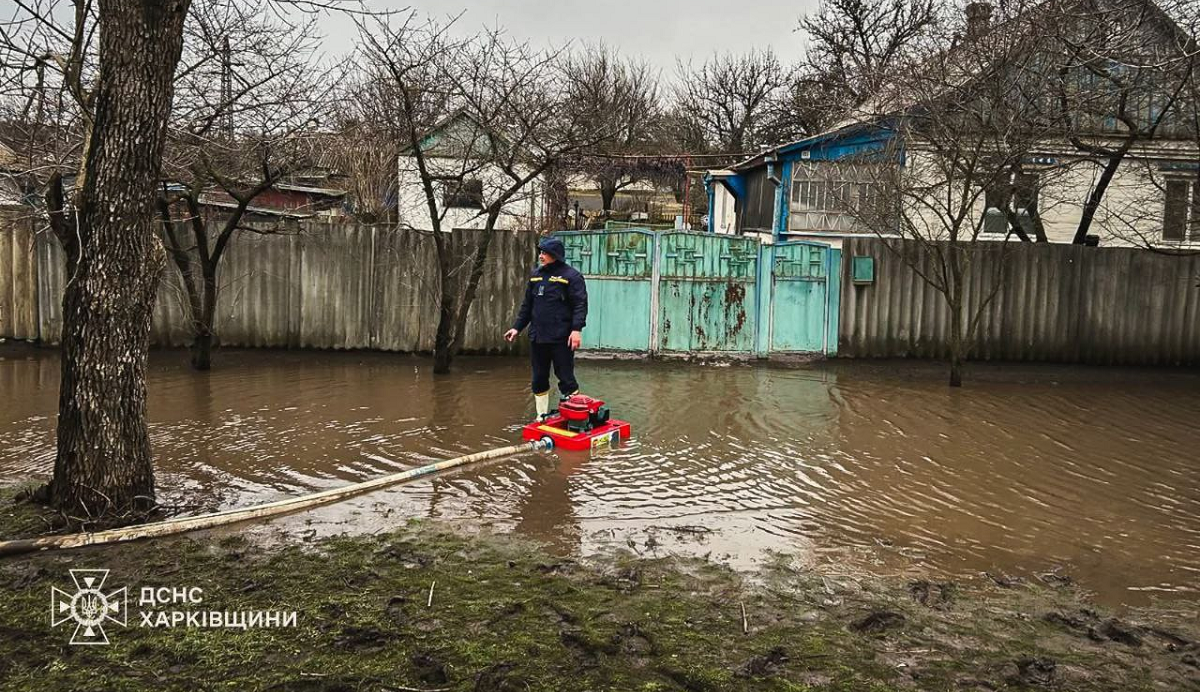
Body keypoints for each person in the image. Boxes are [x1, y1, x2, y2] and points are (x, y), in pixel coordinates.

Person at [504, 236, 588, 421]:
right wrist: (517, 328)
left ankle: (573, 417)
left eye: (545, 253)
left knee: (565, 377)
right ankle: (541, 416)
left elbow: (580, 305)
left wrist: (576, 330)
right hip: (538, 337)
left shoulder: (571, 277)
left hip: (561, 337)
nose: (541, 256)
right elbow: (527, 306)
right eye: (540, 252)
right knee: (539, 378)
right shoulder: (536, 276)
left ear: (555, 255)